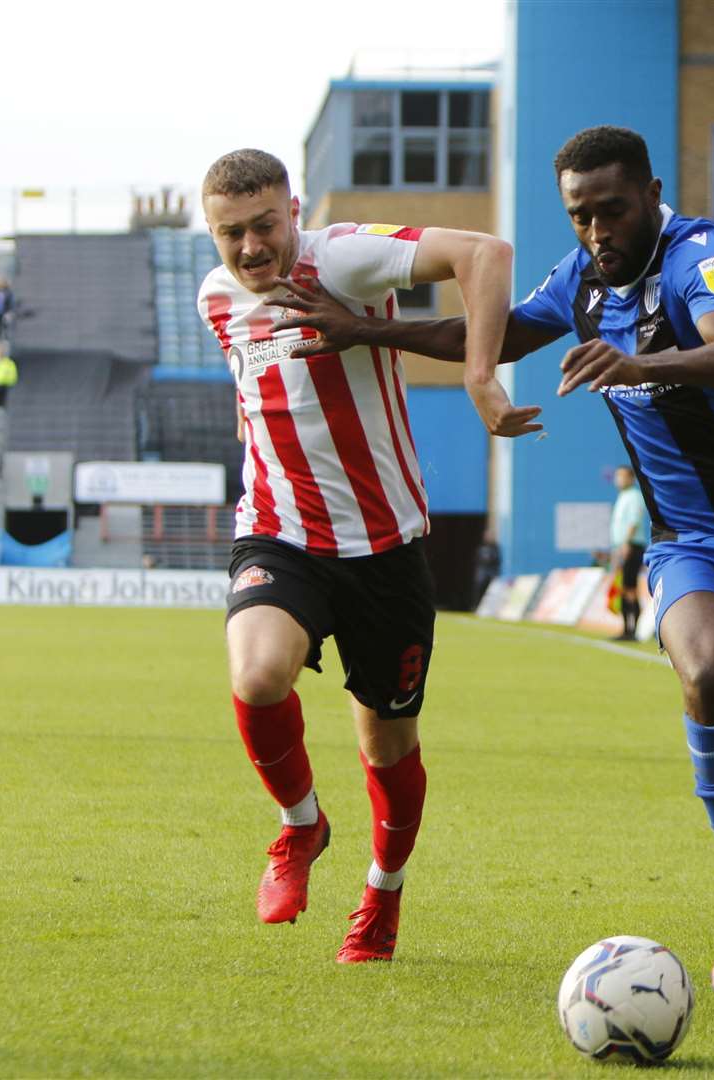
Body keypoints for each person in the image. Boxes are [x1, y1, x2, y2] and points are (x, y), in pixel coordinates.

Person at [271, 125, 714, 997]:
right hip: (690, 545)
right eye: (580, 216)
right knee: (708, 674)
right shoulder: (582, 281)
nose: (597, 232)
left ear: (650, 192)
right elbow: (485, 333)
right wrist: (366, 331)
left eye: (611, 210)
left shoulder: (700, 255)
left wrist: (641, 361)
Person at [196, 148, 530, 964]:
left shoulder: (341, 255)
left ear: (295, 211)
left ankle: (383, 892)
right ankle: (301, 826)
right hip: (281, 534)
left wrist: (481, 377)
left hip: (385, 549)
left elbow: (485, 254)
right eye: (229, 234)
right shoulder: (216, 300)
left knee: (388, 745)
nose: (249, 249)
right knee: (256, 674)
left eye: (264, 225)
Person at [608, 465, 650, 640]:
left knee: (630, 587)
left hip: (632, 546)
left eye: (623, 476)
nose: (619, 480)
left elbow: (633, 522)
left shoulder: (634, 497)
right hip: (623, 547)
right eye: (617, 476)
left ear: (631, 479)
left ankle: (632, 630)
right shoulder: (623, 497)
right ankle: (626, 629)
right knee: (625, 587)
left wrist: (626, 544)